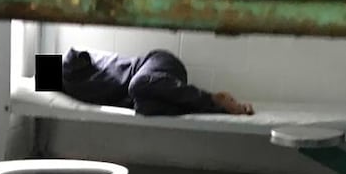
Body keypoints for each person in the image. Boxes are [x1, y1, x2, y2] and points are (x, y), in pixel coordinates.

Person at [61, 48, 254, 116]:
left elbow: (74, 54)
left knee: (139, 85)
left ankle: (212, 100)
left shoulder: (69, 61)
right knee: (145, 108)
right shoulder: (51, 80)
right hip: (144, 93)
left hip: (156, 63)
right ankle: (216, 106)